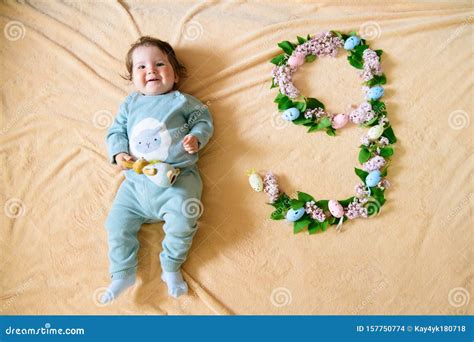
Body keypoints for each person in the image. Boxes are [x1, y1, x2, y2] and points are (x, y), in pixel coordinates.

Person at [101, 36, 213, 304]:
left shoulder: (183, 101)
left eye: (160, 64)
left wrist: (196, 138)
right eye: (140, 67)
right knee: (115, 224)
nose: (150, 70)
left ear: (175, 75)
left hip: (178, 180)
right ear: (132, 79)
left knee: (184, 220)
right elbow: (115, 130)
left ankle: (171, 266)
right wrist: (117, 152)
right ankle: (122, 273)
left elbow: (204, 121)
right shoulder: (130, 104)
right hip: (136, 184)